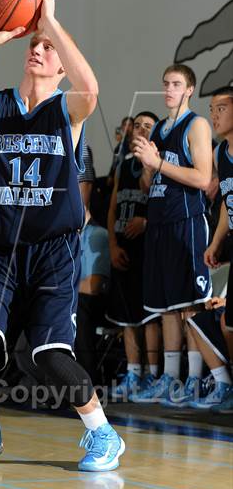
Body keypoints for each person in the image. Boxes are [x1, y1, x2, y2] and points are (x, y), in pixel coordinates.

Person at [0, 0, 124, 471]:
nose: (39, 51)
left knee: (50, 356)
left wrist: (52, 23)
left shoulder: (66, 110)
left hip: (52, 250)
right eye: (34, 45)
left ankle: (103, 433)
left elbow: (91, 89)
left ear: (61, 63)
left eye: (47, 49)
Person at [132, 64, 213, 406]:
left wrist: (159, 163)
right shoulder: (160, 129)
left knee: (190, 306)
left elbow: (202, 178)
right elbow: (149, 186)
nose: (168, 89)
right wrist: (149, 167)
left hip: (187, 221)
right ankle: (169, 378)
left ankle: (194, 380)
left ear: (189, 89)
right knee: (165, 308)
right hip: (160, 224)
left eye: (176, 84)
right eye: (165, 83)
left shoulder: (197, 125)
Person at [107, 112, 161, 400]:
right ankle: (133, 373)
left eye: (147, 126)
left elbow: (167, 204)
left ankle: (153, 375)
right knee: (126, 317)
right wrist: (113, 245)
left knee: (149, 317)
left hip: (147, 247)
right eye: (137, 125)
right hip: (123, 247)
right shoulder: (122, 165)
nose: (140, 129)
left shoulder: (159, 161)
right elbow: (113, 209)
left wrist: (146, 222)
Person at [192, 86, 233, 412]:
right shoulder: (221, 153)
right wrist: (217, 241)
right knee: (225, 324)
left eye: (221, 108)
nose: (214, 115)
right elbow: (225, 204)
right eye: (211, 108)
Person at [75, 207, 110, 383]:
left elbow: (93, 286)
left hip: (99, 304)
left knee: (76, 307)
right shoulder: (64, 237)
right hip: (74, 298)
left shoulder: (97, 235)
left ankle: (87, 382)